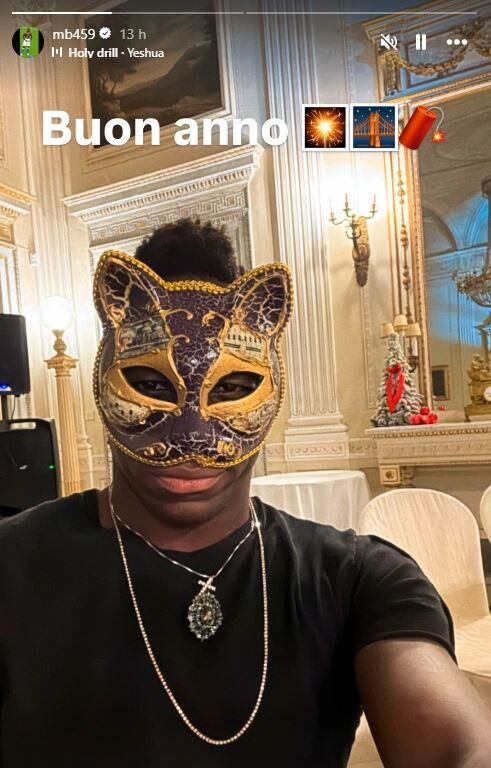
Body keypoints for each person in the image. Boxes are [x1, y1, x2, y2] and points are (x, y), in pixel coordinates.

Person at [0, 218, 490, 767]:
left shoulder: (358, 579)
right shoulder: (10, 564)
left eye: (233, 388)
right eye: (150, 384)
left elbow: (457, 745)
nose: (192, 437)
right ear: (104, 375)